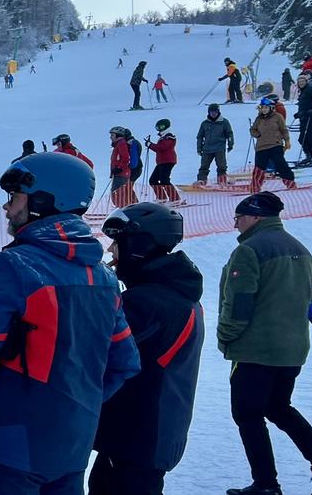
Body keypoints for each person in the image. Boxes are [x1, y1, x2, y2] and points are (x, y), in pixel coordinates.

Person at [0, 153, 140, 495]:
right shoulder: (103, 278)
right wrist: (79, 401)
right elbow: (125, 363)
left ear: (44, 200)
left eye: (14, 197)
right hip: (73, 445)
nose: (7, 209)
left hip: (9, 447)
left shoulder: (11, 267)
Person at [92, 203, 204, 495]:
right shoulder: (175, 295)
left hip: (136, 437)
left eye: (119, 243)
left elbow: (93, 349)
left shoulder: (149, 303)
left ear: (140, 246)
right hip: (148, 435)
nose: (112, 253)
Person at [219, 192, 312, 495]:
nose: (236, 225)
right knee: (278, 407)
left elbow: (239, 302)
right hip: (292, 349)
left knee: (247, 414)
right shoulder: (300, 249)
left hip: (255, 350)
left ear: (255, 217)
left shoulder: (249, 250)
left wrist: (227, 335)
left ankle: (266, 484)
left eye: (238, 218)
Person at [249, 96, 295, 191]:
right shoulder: (258, 119)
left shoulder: (278, 117)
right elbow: (253, 130)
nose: (264, 110)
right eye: (262, 108)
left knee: (281, 164)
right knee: (259, 168)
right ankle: (255, 186)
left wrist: (287, 141)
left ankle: (290, 183)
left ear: (270, 108)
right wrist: (257, 135)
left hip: (275, 145)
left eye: (266, 107)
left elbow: (284, 130)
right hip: (261, 147)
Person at [196, 103, 235, 186]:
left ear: (218, 112)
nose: (213, 114)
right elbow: (200, 137)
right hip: (207, 149)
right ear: (209, 112)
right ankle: (201, 181)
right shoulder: (205, 123)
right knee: (204, 167)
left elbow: (229, 134)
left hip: (219, 149)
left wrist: (230, 144)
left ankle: (221, 180)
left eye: (215, 112)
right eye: (211, 112)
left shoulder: (224, 122)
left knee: (222, 166)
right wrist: (199, 148)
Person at [146, 119, 180, 204]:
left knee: (164, 180)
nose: (159, 129)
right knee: (153, 180)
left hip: (168, 161)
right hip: (161, 162)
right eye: (158, 127)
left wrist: (150, 145)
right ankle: (162, 197)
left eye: (161, 127)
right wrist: (151, 145)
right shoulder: (163, 137)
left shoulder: (169, 136)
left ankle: (175, 198)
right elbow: (159, 149)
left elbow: (162, 147)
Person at [110, 127, 139, 207]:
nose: (111, 137)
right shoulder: (119, 144)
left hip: (121, 173)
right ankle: (132, 207)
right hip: (121, 173)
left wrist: (119, 168)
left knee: (116, 193)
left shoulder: (121, 144)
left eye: (112, 135)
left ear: (118, 135)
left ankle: (123, 209)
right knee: (123, 193)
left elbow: (126, 158)